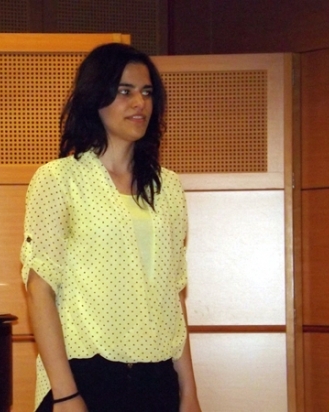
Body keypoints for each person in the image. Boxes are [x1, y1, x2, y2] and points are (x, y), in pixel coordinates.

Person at [20, 42, 202, 412]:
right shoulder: (58, 179)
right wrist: (65, 394)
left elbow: (172, 298)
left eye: (147, 92)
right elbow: (40, 290)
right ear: (95, 97)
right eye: (125, 91)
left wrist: (189, 393)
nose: (140, 103)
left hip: (157, 380)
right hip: (84, 376)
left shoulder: (168, 187)